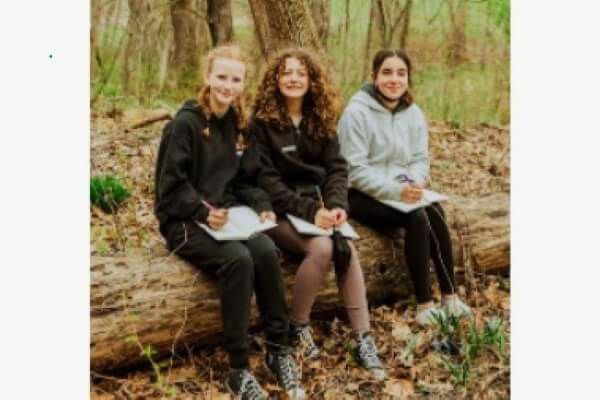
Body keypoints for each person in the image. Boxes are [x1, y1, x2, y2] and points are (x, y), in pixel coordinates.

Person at [154, 45, 305, 400]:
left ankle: (277, 349)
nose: (228, 85)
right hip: (182, 220)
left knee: (266, 250)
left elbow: (243, 182)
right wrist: (203, 211)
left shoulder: (240, 124)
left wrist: (262, 206)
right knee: (238, 259)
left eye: (235, 79)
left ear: (243, 83)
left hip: (228, 215)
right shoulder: (186, 124)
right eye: (221, 77)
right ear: (208, 77)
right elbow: (169, 189)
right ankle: (239, 368)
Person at [249, 48, 385, 380]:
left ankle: (363, 338)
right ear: (275, 80)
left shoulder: (319, 119)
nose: (293, 78)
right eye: (286, 72)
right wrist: (312, 212)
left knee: (345, 249)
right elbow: (266, 181)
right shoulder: (261, 124)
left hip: (318, 208)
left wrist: (337, 206)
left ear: (311, 81)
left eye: (300, 73)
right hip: (276, 210)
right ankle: (297, 326)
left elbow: (337, 168)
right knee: (323, 248)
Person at [337, 49, 472, 326]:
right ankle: (424, 304)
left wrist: (416, 181)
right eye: (387, 72)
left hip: (403, 189)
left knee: (435, 211)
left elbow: (420, 159)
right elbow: (355, 170)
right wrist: (396, 192)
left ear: (408, 78)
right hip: (360, 193)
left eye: (401, 73)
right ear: (374, 76)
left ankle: (450, 296)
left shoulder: (413, 113)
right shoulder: (356, 113)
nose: (394, 79)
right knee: (417, 216)